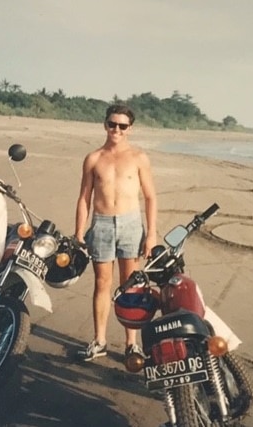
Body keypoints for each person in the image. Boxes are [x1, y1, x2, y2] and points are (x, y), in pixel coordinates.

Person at [75, 104, 157, 362]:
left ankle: (131, 343)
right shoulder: (93, 158)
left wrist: (151, 234)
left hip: (132, 225)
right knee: (102, 283)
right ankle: (99, 340)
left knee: (130, 286)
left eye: (122, 126)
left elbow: (150, 197)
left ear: (129, 129)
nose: (117, 130)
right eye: (113, 124)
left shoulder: (139, 157)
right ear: (105, 125)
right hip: (101, 225)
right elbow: (84, 199)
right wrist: (79, 234)